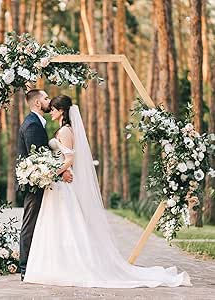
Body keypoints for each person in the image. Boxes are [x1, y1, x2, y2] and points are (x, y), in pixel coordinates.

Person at [23, 94, 192, 288]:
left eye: (53, 108)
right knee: (57, 226)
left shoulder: (65, 131)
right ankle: (55, 264)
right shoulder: (63, 129)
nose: (50, 111)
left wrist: (52, 173)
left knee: (66, 226)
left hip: (63, 184)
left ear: (61, 111)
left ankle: (67, 265)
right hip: (59, 184)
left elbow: (70, 159)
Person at [17, 89, 72, 281]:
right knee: (31, 225)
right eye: (46, 98)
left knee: (41, 224)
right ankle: (25, 267)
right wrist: (62, 169)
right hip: (36, 184)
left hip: (44, 182)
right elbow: (38, 160)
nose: (50, 101)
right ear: (38, 103)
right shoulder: (32, 125)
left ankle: (38, 264)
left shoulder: (38, 123)